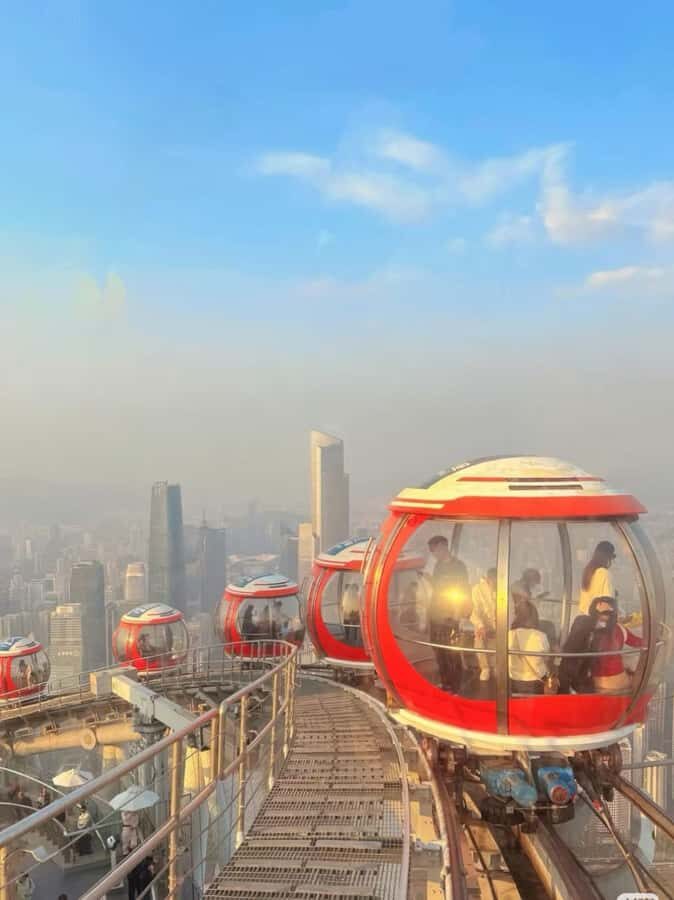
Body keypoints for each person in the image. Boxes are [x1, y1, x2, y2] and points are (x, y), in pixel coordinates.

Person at [559, 596, 642, 694]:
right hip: (619, 686)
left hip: (595, 686)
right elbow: (639, 642)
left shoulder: (583, 626)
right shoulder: (619, 629)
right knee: (637, 676)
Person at [426, 535, 471, 692]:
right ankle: (445, 683)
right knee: (439, 650)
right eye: (431, 551)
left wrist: (457, 617)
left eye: (434, 550)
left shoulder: (459, 566)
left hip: (450, 615)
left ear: (443, 547)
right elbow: (438, 588)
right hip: (436, 613)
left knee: (452, 651)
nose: (433, 554)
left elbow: (463, 590)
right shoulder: (438, 566)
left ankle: (456, 685)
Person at [508, 600, 550, 695]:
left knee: (516, 707)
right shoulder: (540, 636)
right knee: (534, 708)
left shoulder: (509, 635)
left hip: (513, 680)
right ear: (534, 617)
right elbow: (546, 658)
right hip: (535, 682)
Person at [471, 568, 497, 682]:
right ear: (488, 579)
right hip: (483, 623)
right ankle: (485, 668)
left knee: (499, 644)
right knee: (480, 640)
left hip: (499, 623)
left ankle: (496, 666)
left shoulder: (504, 588)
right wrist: (481, 625)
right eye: (493, 581)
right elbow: (475, 610)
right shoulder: (477, 589)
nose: (495, 584)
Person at [579, 541, 616, 614]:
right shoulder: (605, 574)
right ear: (608, 557)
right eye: (612, 558)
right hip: (598, 621)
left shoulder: (588, 571)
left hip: (586, 620)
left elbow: (582, 605)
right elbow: (607, 604)